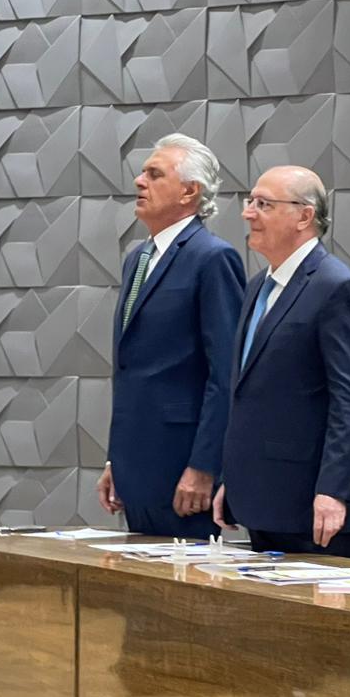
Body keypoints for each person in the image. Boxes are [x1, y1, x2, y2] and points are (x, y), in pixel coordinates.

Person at [212, 166, 350, 557]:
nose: (248, 213)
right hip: (259, 499)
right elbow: (250, 393)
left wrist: (333, 491)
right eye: (250, 202)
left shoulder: (336, 287)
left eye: (263, 204)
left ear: (304, 215)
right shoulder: (257, 287)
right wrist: (230, 479)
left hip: (311, 509)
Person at [96, 134, 245, 538]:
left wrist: (204, 465)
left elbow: (226, 373)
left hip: (184, 472)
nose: (139, 181)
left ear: (189, 192)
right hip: (135, 466)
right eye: (143, 172)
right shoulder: (137, 259)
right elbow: (131, 368)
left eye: (154, 174)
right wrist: (116, 460)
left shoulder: (213, 258)